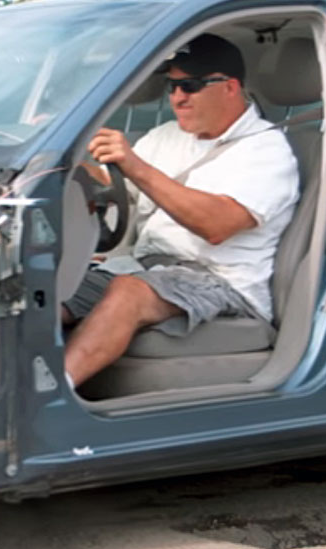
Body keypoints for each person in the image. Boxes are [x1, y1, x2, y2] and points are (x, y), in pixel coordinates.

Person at [62, 33, 300, 390]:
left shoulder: (266, 150)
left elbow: (217, 225)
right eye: (171, 86)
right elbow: (118, 191)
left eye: (190, 85)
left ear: (230, 87)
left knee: (129, 292)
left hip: (221, 280)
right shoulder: (165, 136)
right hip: (146, 265)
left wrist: (136, 166)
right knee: (49, 290)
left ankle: (48, 395)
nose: (177, 97)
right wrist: (68, 169)